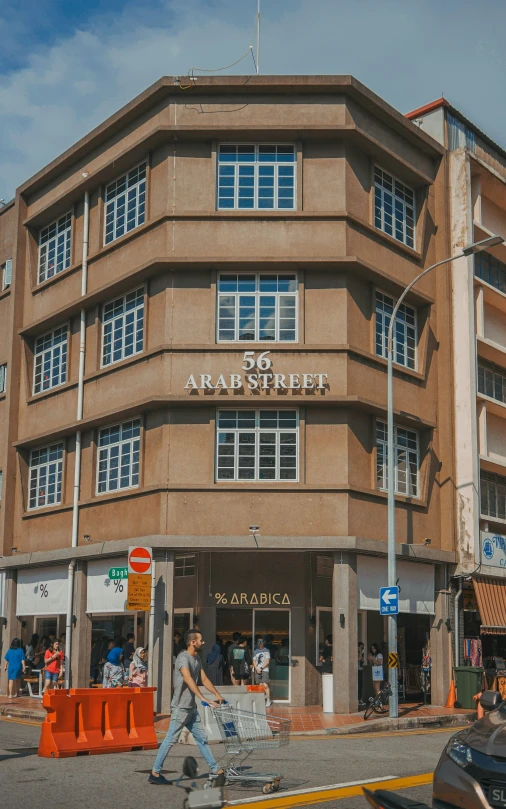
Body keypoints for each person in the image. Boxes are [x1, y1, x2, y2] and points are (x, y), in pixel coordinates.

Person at [149, 629, 225, 785]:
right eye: (201, 640)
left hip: (191, 709)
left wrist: (217, 695)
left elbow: (204, 679)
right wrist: (204, 698)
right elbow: (188, 679)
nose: (203, 642)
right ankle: (155, 773)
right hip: (181, 708)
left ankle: (215, 769)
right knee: (170, 739)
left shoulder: (197, 658)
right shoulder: (183, 658)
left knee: (202, 739)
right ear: (193, 642)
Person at [253, 638, 272, 707]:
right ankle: (262, 700)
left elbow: (267, 661)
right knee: (260, 686)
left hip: (265, 670)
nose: (260, 644)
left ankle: (268, 700)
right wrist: (256, 668)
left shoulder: (266, 651)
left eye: (261, 642)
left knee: (265, 685)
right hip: (257, 669)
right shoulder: (255, 651)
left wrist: (261, 668)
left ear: (263, 643)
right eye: (259, 642)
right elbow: (254, 661)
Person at [358, 642, 365, 707]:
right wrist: (359, 650)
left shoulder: (362, 653)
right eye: (361, 647)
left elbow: (362, 660)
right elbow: (359, 658)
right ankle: (358, 699)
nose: (362, 649)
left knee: (360, 685)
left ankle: (360, 699)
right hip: (357, 670)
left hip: (360, 669)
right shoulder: (357, 652)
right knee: (358, 685)